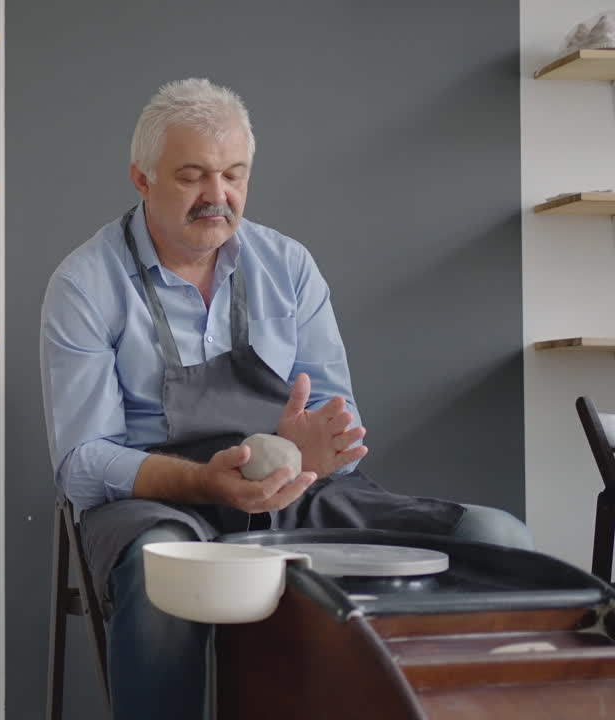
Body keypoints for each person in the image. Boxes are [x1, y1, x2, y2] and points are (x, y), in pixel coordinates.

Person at [38, 78, 533, 720]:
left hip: (296, 493)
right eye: (193, 177)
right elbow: (80, 464)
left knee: (497, 536)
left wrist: (315, 456)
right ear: (142, 178)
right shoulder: (86, 283)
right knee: (161, 574)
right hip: (155, 505)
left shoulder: (289, 267)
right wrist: (212, 484)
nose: (218, 196)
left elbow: (339, 430)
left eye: (234, 175)